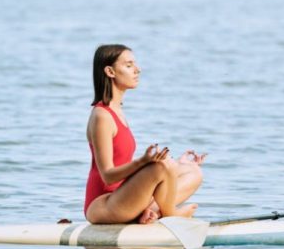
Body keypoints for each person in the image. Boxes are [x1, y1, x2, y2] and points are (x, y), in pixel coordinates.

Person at [84, 44, 206, 224]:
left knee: (192, 172)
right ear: (110, 71)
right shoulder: (102, 115)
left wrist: (175, 164)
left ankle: (150, 213)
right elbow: (108, 176)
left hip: (125, 196)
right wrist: (144, 162)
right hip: (104, 204)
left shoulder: (117, 110)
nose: (137, 69)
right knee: (161, 166)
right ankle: (171, 214)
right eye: (129, 65)